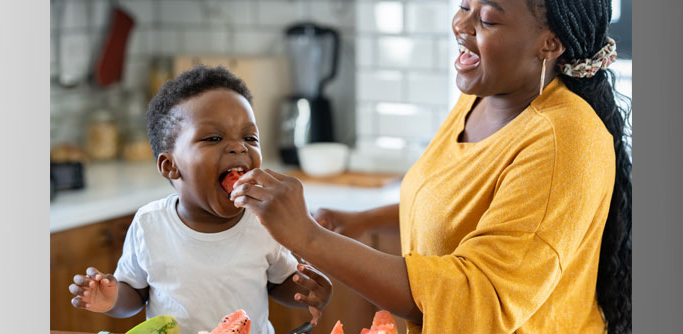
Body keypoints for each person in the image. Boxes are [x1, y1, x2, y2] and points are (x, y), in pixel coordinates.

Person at [228, 0, 632, 333]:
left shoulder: (565, 140)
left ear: (550, 42)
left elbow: (477, 301)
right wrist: (363, 221)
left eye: (487, 18)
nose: (462, 25)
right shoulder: (484, 98)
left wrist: (310, 238)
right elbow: (458, 209)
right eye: (463, 6)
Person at [68, 66, 333, 334]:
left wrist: (307, 290)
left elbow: (279, 282)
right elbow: (134, 295)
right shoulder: (150, 224)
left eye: (249, 137)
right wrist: (110, 299)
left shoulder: (262, 220)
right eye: (214, 138)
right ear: (170, 166)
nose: (238, 147)